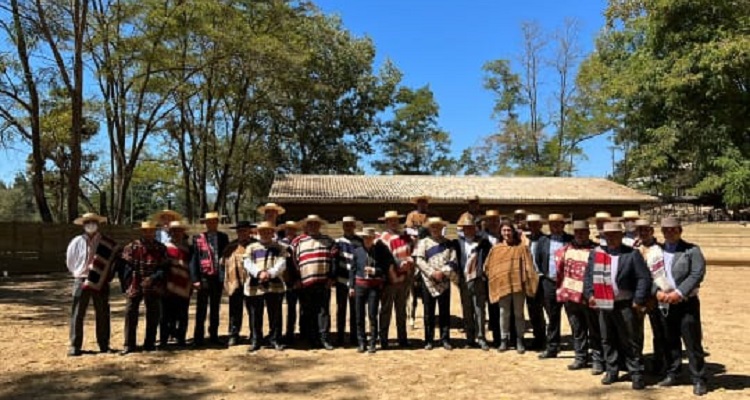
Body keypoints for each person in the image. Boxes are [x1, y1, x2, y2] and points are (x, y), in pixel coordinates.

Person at [584, 222, 652, 390]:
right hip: (603, 304)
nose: (612, 238)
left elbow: (643, 278)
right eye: (608, 235)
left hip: (625, 304)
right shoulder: (596, 254)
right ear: (604, 237)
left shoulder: (632, 254)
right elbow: (588, 277)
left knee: (630, 340)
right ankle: (612, 370)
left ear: (622, 236)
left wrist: (638, 299)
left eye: (615, 235)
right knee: (607, 339)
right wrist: (590, 294)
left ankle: (635, 373)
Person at [655, 217, 708, 396]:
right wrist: (657, 292)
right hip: (664, 302)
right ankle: (673, 372)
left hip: (685, 302)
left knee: (692, 342)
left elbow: (697, 274)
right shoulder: (657, 250)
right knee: (669, 340)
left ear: (680, 230)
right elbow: (648, 273)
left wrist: (679, 293)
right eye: (666, 230)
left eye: (673, 229)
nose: (669, 233)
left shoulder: (692, 250)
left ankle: (698, 378)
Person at [555, 220, 603, 374]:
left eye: (583, 232)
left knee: (594, 330)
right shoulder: (565, 250)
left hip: (589, 297)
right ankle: (580, 357)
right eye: (577, 232)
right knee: (577, 329)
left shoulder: (596, 250)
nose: (580, 235)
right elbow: (559, 272)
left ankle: (597, 360)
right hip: (570, 296)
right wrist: (562, 290)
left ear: (588, 233)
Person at [66, 212, 117, 357]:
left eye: (93, 222)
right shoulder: (76, 241)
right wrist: (78, 273)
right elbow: (70, 261)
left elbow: (112, 262)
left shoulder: (106, 242)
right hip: (81, 279)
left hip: (99, 280)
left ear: (98, 224)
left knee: (102, 313)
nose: (90, 224)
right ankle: (75, 346)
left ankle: (104, 344)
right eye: (87, 222)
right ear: (83, 225)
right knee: (77, 314)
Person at [483, 221, 538, 353]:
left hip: (519, 285)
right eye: (504, 230)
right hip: (502, 286)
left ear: (513, 231)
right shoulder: (496, 249)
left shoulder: (522, 248)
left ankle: (520, 340)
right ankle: (504, 340)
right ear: (500, 232)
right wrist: (496, 278)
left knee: (518, 314)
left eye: (509, 230)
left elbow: (529, 266)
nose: (507, 233)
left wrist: (529, 281)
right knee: (503, 313)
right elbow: (488, 267)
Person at [118, 221, 168, 355]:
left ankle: (150, 343)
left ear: (155, 232)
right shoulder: (131, 247)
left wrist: (153, 278)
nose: (148, 233)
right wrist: (127, 285)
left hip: (153, 283)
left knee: (153, 314)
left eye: (151, 231)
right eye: (146, 231)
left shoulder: (160, 248)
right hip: (135, 282)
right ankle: (129, 344)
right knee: (130, 312)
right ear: (142, 232)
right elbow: (124, 267)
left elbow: (163, 268)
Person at [291, 214, 337, 350]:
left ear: (320, 225)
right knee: (308, 310)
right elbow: (293, 262)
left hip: (323, 281)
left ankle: (324, 338)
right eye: (310, 224)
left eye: (315, 224)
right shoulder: (297, 242)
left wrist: (331, 278)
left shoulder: (328, 241)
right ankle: (312, 338)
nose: (313, 226)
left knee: (323, 311)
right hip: (305, 282)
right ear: (306, 226)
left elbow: (334, 260)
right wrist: (297, 279)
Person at [413, 217, 457, 351]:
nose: (435, 229)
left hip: (444, 280)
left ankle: (445, 339)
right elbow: (419, 260)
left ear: (441, 228)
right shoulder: (423, 243)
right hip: (428, 281)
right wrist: (432, 273)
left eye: (438, 226)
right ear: (429, 228)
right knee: (428, 312)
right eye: (433, 227)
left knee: (444, 311)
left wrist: (443, 272)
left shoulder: (449, 243)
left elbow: (453, 260)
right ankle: (429, 340)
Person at [534, 213, 573, 359]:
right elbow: (538, 259)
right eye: (552, 224)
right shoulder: (543, 241)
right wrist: (546, 274)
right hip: (549, 282)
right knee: (553, 316)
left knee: (573, 315)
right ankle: (552, 347)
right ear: (548, 226)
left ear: (563, 225)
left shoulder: (571, 240)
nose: (555, 227)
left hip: (568, 283)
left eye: (558, 224)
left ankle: (580, 348)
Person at [244, 221, 287, 352]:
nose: (266, 234)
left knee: (275, 314)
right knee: (255, 314)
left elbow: (282, 263)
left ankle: (275, 339)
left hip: (274, 284)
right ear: (258, 232)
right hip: (255, 285)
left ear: (272, 233)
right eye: (263, 231)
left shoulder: (280, 247)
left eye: (268, 231)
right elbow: (247, 262)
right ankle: (256, 340)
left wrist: (270, 273)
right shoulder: (251, 247)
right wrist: (258, 273)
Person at [633, 219, 668, 376]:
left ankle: (659, 362)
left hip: (655, 296)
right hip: (637, 296)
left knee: (659, 332)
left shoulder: (661, 250)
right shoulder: (633, 249)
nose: (643, 233)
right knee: (635, 332)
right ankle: (637, 362)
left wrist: (654, 293)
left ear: (652, 231)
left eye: (646, 230)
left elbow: (662, 275)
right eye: (640, 230)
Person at [190, 211, 229, 346]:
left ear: (217, 223)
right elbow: (194, 259)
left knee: (215, 308)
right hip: (203, 277)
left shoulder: (223, 237)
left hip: (217, 277)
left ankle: (213, 335)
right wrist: (195, 278)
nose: (211, 224)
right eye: (209, 222)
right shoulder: (198, 238)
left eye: (214, 221)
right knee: (201, 308)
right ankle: (198, 337)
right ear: (205, 223)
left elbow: (226, 258)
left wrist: (225, 278)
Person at [350, 227, 391, 353]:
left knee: (372, 315)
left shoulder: (379, 252)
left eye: (370, 238)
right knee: (359, 316)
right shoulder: (357, 252)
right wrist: (351, 286)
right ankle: (362, 342)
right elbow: (352, 270)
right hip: (359, 285)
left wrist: (375, 271)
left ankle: (373, 342)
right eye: (365, 238)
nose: (367, 240)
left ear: (373, 239)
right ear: (362, 239)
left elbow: (385, 268)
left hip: (373, 286)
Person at [377, 210, 415, 348]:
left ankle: (402, 338)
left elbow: (411, 252)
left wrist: (409, 262)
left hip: (404, 278)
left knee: (401, 309)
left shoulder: (405, 237)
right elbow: (383, 259)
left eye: (395, 220)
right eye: (390, 220)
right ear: (386, 222)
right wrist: (397, 265)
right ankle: (383, 339)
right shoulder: (382, 239)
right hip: (389, 278)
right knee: (386, 309)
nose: (393, 222)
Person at [454, 215, 488, 350]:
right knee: (467, 310)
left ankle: (481, 337)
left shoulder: (483, 242)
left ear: (475, 228)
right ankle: (469, 338)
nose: (469, 230)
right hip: (463, 279)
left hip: (478, 279)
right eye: (466, 228)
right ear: (463, 229)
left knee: (480, 310)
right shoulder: (458, 242)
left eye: (471, 227)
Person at [223, 221, 256, 346]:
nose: (242, 233)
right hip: (235, 282)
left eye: (245, 230)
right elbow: (224, 263)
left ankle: (255, 334)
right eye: (240, 230)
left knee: (253, 309)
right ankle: (233, 334)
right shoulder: (230, 246)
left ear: (249, 231)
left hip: (252, 283)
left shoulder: (256, 245)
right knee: (235, 309)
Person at [161, 220, 192, 347]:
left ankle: (181, 338)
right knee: (166, 314)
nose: (176, 233)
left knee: (182, 313)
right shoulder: (164, 247)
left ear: (183, 232)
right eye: (174, 231)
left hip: (185, 284)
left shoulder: (189, 249)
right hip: (168, 284)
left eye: (179, 231)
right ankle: (164, 339)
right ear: (170, 233)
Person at [476, 209, 502, 347]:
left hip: (502, 277)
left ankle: (501, 337)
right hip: (485, 277)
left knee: (500, 307)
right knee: (486, 307)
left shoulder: (504, 237)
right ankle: (488, 337)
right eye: (490, 220)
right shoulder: (480, 237)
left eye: (495, 220)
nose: (493, 223)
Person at [334, 216, 361, 347]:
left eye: (350, 224)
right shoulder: (337, 242)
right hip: (341, 279)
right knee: (341, 309)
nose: (348, 227)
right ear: (343, 226)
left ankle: (354, 337)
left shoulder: (360, 241)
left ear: (354, 226)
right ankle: (340, 337)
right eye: (346, 225)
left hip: (356, 280)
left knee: (355, 309)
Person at [524, 213, 547, 350]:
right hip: (530, 278)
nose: (533, 227)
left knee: (549, 310)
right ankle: (539, 338)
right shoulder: (525, 240)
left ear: (540, 225)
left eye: (535, 224)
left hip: (544, 277)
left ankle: (551, 340)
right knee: (533, 310)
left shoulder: (546, 240)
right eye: (530, 224)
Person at [278, 221, 302, 345]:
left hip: (299, 279)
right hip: (283, 280)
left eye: (292, 229)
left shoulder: (300, 243)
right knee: (281, 309)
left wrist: (298, 279)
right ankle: (281, 333)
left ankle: (294, 332)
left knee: (296, 308)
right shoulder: (279, 244)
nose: (290, 231)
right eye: (288, 229)